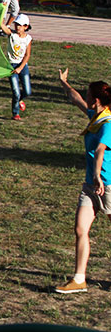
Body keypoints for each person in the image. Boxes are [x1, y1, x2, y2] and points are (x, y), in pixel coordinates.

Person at [54, 70, 111, 294]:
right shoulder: (95, 117)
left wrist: (97, 175)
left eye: (88, 94)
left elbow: (100, 150)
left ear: (95, 100)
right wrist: (64, 82)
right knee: (80, 228)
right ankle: (79, 279)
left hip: (107, 186)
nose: (85, 97)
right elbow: (75, 99)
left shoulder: (107, 124)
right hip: (91, 186)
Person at [0, 14, 32, 120]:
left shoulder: (28, 39)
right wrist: (2, 10)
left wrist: (20, 68)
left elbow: (27, 55)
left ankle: (19, 100)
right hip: (11, 66)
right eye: (17, 24)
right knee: (16, 91)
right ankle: (15, 113)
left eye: (21, 25)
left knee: (27, 91)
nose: (18, 27)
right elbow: (2, 25)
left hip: (22, 66)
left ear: (26, 27)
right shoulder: (12, 35)